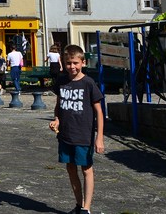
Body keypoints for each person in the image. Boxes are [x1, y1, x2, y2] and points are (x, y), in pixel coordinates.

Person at [48, 44, 104, 214]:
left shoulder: (88, 83)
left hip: (83, 135)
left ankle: (87, 209)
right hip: (66, 134)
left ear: (83, 62)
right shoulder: (62, 81)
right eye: (68, 63)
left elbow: (99, 112)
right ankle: (79, 204)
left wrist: (99, 137)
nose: (72, 67)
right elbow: (59, 105)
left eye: (75, 63)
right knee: (70, 168)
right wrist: (56, 120)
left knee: (86, 168)